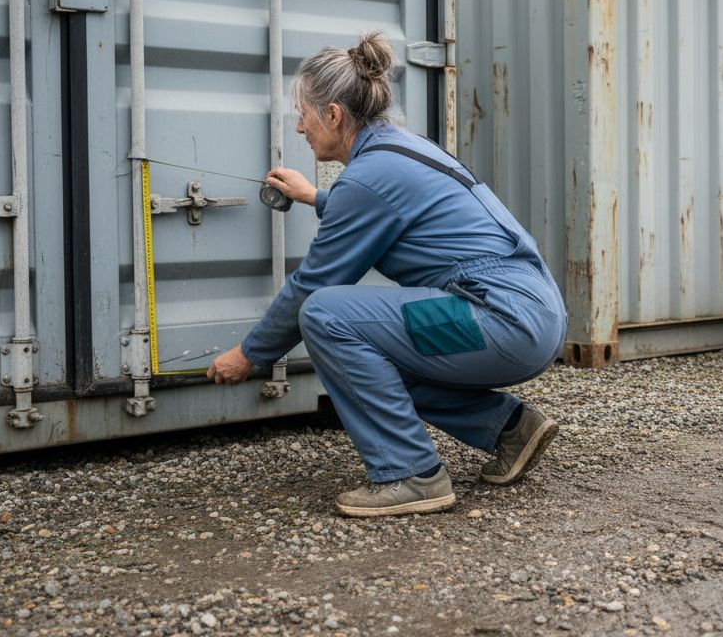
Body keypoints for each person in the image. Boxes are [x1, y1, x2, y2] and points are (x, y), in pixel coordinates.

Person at [206, 32, 567, 518]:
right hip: (528, 312)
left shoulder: (369, 177)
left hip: (498, 320)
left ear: (333, 115)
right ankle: (509, 429)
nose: (299, 128)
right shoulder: (397, 150)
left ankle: (411, 474)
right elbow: (385, 210)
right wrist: (315, 197)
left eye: (305, 115)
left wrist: (250, 355)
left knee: (327, 315)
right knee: (373, 353)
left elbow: (312, 284)